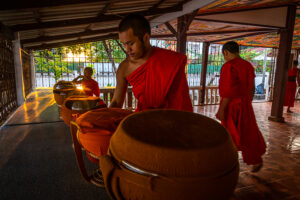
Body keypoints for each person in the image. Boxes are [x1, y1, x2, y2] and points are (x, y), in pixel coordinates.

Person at [109, 14, 193, 112]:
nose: (127, 49)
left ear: (146, 38)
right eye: (124, 44)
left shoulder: (169, 61)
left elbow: (182, 101)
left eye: (131, 43)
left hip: (172, 121)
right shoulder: (124, 67)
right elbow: (116, 103)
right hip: (144, 120)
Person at [216, 41, 266, 172]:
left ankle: (227, 162)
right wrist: (247, 103)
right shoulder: (248, 65)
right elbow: (252, 88)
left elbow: (228, 91)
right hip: (245, 104)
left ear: (226, 52)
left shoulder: (229, 66)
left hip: (232, 106)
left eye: (224, 54)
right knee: (248, 132)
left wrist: (222, 109)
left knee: (229, 134)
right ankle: (256, 160)